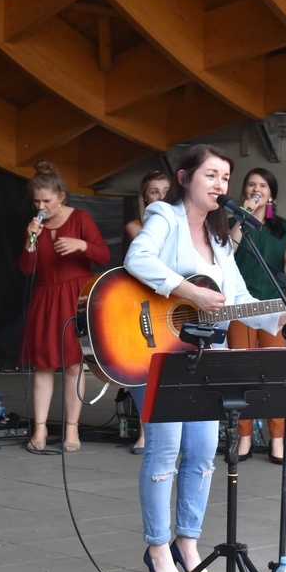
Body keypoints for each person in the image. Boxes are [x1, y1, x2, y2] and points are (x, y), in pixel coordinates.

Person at [123, 143, 286, 572]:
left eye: (225, 177)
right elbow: (137, 259)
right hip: (156, 349)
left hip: (208, 354)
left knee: (203, 452)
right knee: (164, 451)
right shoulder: (164, 216)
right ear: (185, 178)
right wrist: (189, 292)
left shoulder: (220, 240)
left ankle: (187, 542)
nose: (220, 184)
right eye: (211, 175)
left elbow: (240, 301)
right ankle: (157, 548)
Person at [227, 167, 286, 464]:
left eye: (263, 186)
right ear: (244, 191)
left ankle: (277, 439)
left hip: (274, 308)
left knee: (274, 374)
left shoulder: (281, 228)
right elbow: (227, 250)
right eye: (251, 185)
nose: (257, 189)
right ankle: (244, 438)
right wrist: (243, 215)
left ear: (271, 195)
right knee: (241, 372)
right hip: (239, 307)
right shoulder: (234, 222)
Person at [19, 161, 109, 452]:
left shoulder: (80, 218)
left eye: (46, 201)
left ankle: (72, 428)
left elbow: (104, 255)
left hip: (75, 296)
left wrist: (81, 245)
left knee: (73, 365)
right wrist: (31, 240)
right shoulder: (36, 226)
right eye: (36, 201)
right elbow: (27, 268)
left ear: (61, 196)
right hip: (46, 298)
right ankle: (40, 428)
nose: (40, 206)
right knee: (43, 365)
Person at [123, 170, 170, 454]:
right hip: (142, 299)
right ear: (145, 197)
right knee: (143, 363)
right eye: (155, 191)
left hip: (169, 299)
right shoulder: (136, 226)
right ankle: (145, 429)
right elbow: (154, 256)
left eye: (166, 191)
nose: (162, 196)